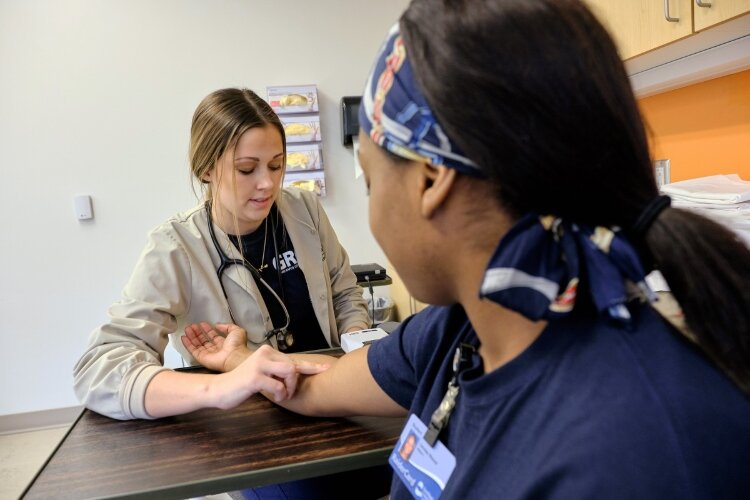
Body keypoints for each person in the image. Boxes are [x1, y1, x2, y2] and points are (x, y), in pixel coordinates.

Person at [185, 0, 750, 498]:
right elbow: (316, 387)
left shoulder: (637, 452)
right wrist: (239, 361)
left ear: (431, 180)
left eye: (370, 182)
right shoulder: (456, 332)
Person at [73, 88, 370, 421]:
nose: (267, 184)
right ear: (206, 169)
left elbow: (344, 294)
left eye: (276, 165)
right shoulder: (176, 246)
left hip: (330, 398)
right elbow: (99, 369)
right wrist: (221, 386)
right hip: (247, 422)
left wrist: (358, 351)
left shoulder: (305, 211)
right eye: (246, 169)